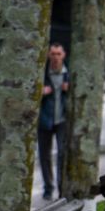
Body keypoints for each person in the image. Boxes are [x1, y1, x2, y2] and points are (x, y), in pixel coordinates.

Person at [37, 42, 70, 200]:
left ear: (63, 55)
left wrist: (69, 90)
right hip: (45, 119)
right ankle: (48, 187)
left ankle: (62, 186)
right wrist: (40, 92)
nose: (56, 57)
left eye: (58, 54)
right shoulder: (42, 73)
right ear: (49, 55)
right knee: (45, 155)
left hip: (62, 119)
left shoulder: (68, 73)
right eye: (53, 54)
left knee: (63, 154)